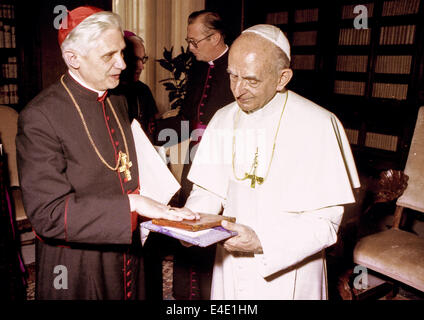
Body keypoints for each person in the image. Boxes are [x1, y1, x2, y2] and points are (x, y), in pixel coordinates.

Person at [15, 6, 196, 300]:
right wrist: (132, 204)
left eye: (121, 52)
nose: (122, 64)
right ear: (73, 59)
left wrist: (158, 206)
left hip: (127, 245)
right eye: (108, 56)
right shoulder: (40, 116)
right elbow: (47, 214)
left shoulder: (118, 100)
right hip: (77, 259)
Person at [183, 24, 361, 299]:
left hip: (290, 267)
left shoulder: (319, 125)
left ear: (282, 78)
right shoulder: (223, 118)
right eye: (232, 76)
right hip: (230, 260)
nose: (237, 90)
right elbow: (208, 190)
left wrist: (261, 241)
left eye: (251, 80)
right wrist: (191, 221)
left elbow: (326, 223)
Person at [171, 10, 235, 300]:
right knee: (190, 219)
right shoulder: (197, 66)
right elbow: (187, 115)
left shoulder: (238, 65)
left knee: (213, 225)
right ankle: (187, 296)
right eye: (189, 41)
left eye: (194, 42)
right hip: (195, 156)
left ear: (216, 37)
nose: (190, 48)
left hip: (226, 159)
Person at [115, 31, 158, 143]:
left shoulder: (144, 90)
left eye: (143, 59)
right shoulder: (108, 91)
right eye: (135, 59)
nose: (141, 66)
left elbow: (152, 132)